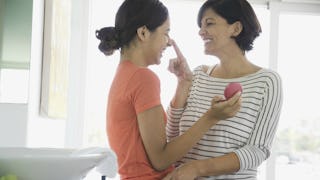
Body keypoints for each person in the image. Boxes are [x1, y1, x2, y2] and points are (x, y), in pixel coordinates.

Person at [95, 0, 241, 179]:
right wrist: (212, 117)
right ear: (143, 33)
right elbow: (161, 159)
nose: (169, 42)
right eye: (166, 33)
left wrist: (183, 83)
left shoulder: (124, 75)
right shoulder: (143, 77)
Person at [165, 0, 283, 179]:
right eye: (200, 25)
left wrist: (197, 168)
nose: (200, 31)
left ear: (235, 28)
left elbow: (258, 150)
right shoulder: (197, 75)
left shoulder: (267, 82)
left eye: (209, 23)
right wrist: (182, 84)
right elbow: (171, 139)